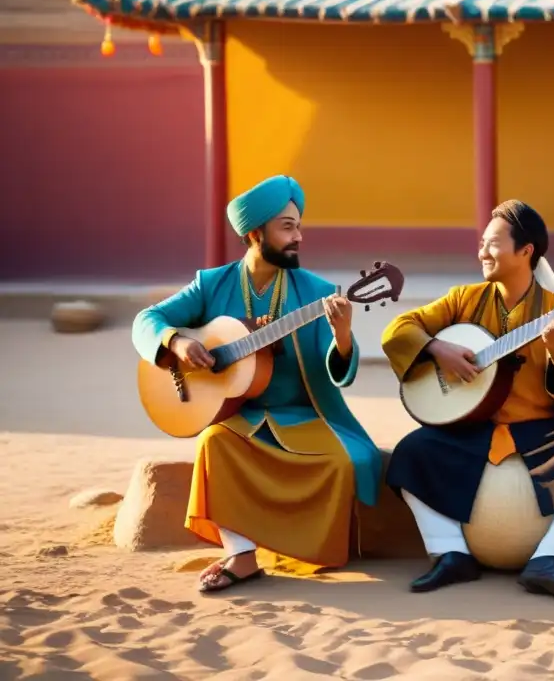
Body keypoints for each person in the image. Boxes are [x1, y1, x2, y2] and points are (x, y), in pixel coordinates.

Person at [131, 175, 382, 594]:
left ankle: (310, 552)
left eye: (299, 226)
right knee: (212, 442)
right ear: (255, 233)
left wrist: (341, 337)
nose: (298, 236)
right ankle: (242, 555)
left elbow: (340, 369)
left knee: (342, 465)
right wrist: (177, 342)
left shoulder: (316, 292)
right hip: (244, 418)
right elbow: (145, 322)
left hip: (305, 416)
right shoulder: (212, 284)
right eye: (287, 227)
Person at [381, 200, 554, 600]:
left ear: (526, 251)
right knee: (410, 453)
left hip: (540, 429)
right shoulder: (463, 298)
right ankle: (450, 553)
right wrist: (438, 348)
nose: (482, 252)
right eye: (481, 243)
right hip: (471, 426)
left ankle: (552, 558)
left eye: (493, 243)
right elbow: (398, 329)